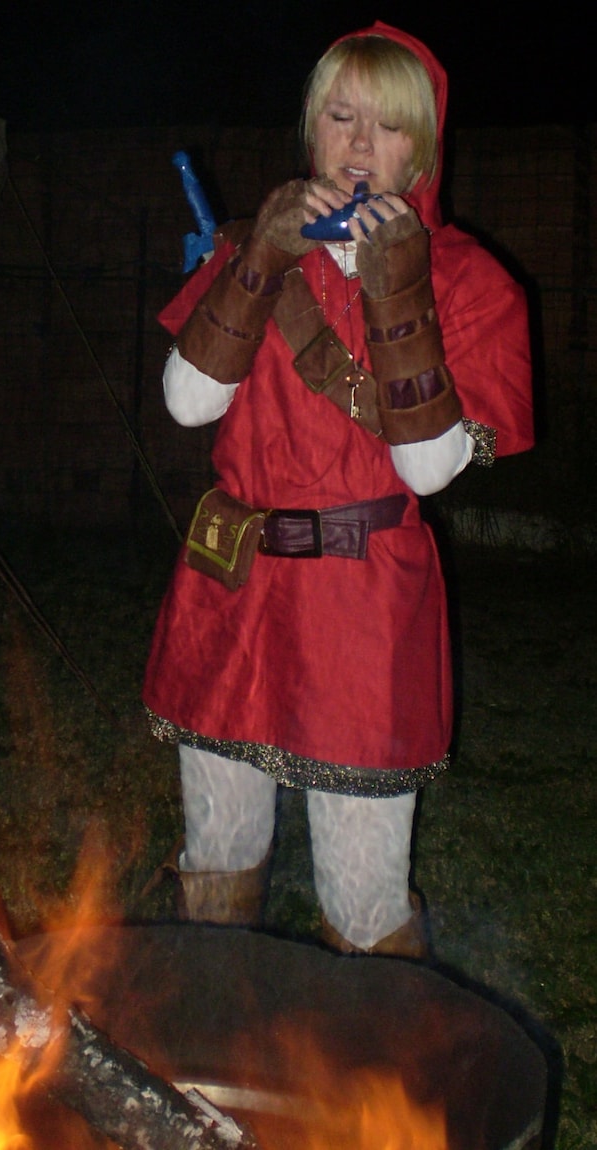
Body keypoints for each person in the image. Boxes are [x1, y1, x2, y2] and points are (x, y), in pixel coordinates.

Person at [142, 22, 534, 957]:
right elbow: (188, 403)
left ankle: (364, 1090)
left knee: (362, 903)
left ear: (425, 148)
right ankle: (211, 1057)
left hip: (364, 603)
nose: (360, 145)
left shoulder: (472, 284)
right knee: (217, 862)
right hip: (231, 586)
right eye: (341, 116)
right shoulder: (256, 246)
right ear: (311, 130)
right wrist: (261, 259)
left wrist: (396, 293)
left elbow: (428, 468)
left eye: (388, 126)